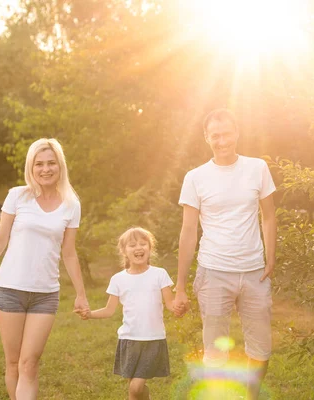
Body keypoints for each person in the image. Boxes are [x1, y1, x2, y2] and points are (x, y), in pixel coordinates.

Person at [0, 138, 90, 400]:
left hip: (45, 294)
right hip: (9, 290)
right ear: (31, 167)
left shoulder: (71, 204)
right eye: (39, 163)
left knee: (30, 363)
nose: (45, 169)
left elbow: (69, 252)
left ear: (60, 166)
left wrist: (81, 294)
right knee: (14, 363)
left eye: (51, 163)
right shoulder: (18, 195)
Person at [173, 108, 277, 399]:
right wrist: (180, 286)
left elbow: (268, 216)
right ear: (206, 138)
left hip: (255, 271)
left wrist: (271, 257)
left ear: (237, 133)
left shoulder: (257, 168)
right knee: (215, 351)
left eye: (226, 133)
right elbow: (188, 230)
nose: (222, 141)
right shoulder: (195, 178)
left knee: (261, 347)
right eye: (215, 135)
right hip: (213, 273)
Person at [80, 227, 176, 400]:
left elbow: (170, 304)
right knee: (135, 389)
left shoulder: (159, 274)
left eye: (142, 244)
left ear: (150, 248)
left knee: (136, 387)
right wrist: (90, 314)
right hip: (129, 340)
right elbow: (109, 310)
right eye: (132, 245)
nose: (138, 248)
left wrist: (180, 305)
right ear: (124, 251)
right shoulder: (118, 279)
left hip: (152, 339)